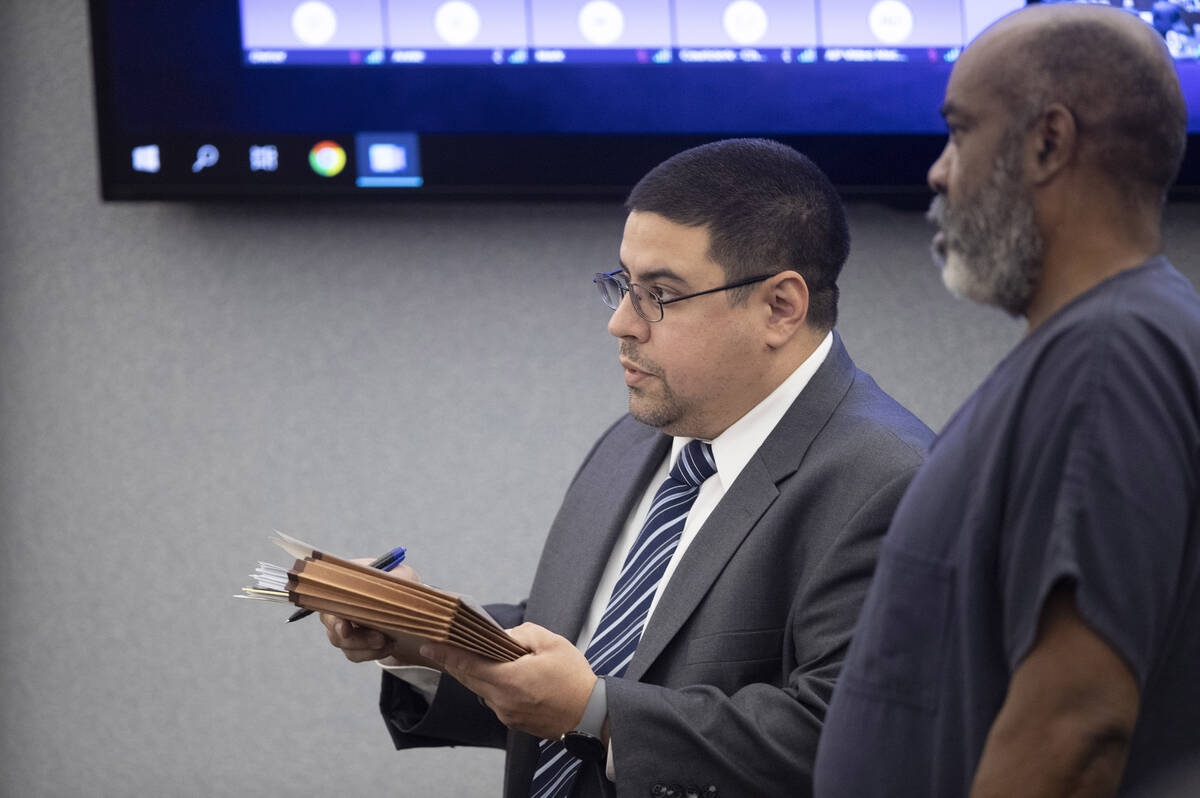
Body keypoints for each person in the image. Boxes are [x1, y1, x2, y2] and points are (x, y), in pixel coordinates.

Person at [321, 138, 932, 797]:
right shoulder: (644, 435)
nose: (620, 323)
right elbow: (584, 638)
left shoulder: (895, 484)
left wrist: (598, 711)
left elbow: (851, 741)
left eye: (659, 295)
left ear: (780, 307)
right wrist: (427, 640)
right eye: (623, 285)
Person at [814, 5, 1198, 797]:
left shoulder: (1108, 358)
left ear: (1047, 142)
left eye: (959, 132)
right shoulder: (1094, 347)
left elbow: (1076, 722)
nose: (939, 171)